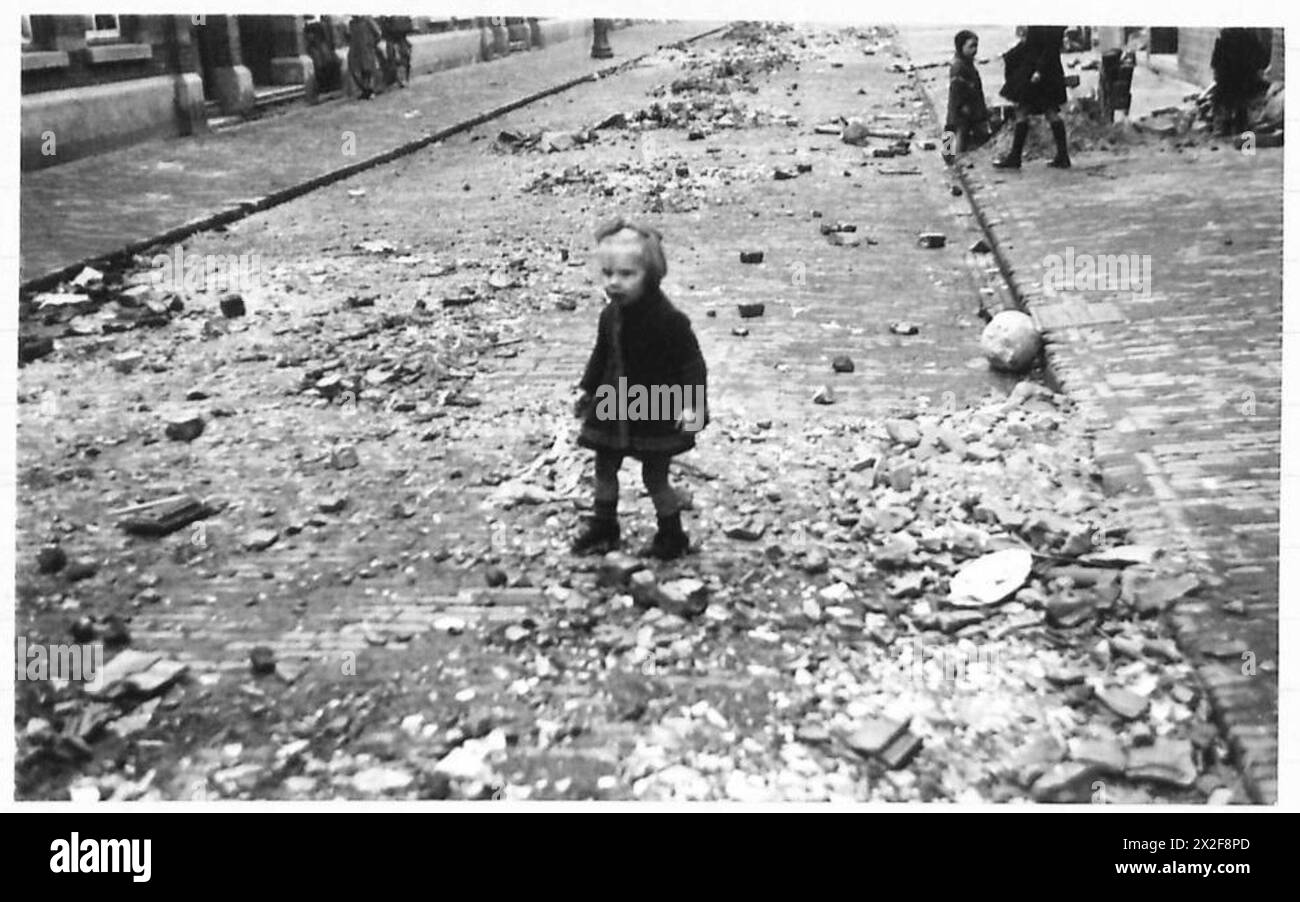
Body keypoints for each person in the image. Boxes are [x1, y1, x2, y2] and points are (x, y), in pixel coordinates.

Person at [572, 219, 708, 560]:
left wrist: (692, 407)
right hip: (614, 402)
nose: (614, 283)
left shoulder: (669, 320)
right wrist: (587, 389)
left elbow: (692, 365)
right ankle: (604, 525)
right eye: (607, 273)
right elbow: (602, 353)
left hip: (654, 406)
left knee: (655, 476)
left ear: (651, 274)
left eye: (627, 275)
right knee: (603, 467)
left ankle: (672, 534)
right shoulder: (610, 315)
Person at [994, 25, 1071, 169]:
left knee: (1028, 110)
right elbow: (1032, 44)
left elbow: (1049, 48)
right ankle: (1062, 155)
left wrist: (1039, 70)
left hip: (1041, 72)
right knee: (1047, 111)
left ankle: (1016, 157)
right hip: (1041, 70)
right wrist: (1010, 54)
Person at [1211, 28, 1269, 136]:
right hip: (1241, 79)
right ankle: (1239, 129)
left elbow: (1216, 62)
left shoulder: (1225, 38)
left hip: (1231, 79)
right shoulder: (1249, 37)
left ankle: (1226, 127)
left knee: (1226, 102)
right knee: (1240, 105)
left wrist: (1217, 75)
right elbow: (1261, 60)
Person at [945, 30, 991, 161]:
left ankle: (948, 157)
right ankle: (954, 160)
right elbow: (957, 89)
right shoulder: (959, 66)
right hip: (962, 107)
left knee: (951, 128)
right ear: (961, 47)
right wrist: (963, 105)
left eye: (976, 46)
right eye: (971, 46)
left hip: (961, 107)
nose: (975, 50)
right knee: (959, 131)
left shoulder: (966, 64)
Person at [347, 15, 383, 100]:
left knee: (368, 70)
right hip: (356, 50)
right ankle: (365, 90)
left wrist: (372, 44)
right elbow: (350, 36)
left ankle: (370, 91)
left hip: (367, 48)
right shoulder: (352, 23)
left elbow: (378, 33)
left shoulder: (367, 20)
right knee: (357, 70)